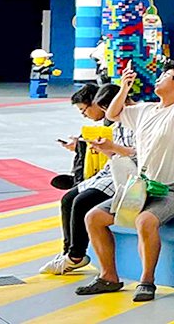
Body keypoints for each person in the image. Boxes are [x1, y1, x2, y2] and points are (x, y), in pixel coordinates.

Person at [79, 62, 174, 302]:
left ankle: (147, 281)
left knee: (145, 220)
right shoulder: (145, 110)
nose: (159, 78)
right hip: (142, 188)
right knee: (94, 217)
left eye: (166, 75)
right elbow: (112, 114)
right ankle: (109, 277)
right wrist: (124, 86)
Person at [43, 83, 134, 276]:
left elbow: (139, 155)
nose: (85, 115)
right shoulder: (114, 123)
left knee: (82, 201)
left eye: (84, 110)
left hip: (128, 173)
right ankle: (68, 253)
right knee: (68, 199)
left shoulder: (138, 120)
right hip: (112, 169)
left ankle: (76, 255)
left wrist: (111, 149)